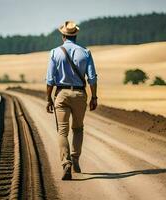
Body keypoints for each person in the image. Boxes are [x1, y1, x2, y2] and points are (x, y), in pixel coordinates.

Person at [46, 21, 98, 180]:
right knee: (78, 128)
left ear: (63, 36)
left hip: (61, 94)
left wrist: (48, 99)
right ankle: (75, 159)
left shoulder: (55, 52)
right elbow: (92, 78)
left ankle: (66, 163)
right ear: (75, 35)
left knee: (62, 130)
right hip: (80, 95)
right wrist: (94, 97)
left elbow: (50, 79)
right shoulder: (86, 52)